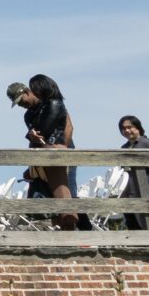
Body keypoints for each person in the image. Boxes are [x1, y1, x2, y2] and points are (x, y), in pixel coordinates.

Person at [11, 75, 87, 229]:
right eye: (18, 103)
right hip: (43, 156)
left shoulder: (53, 104)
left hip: (61, 153)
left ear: (27, 91)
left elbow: (68, 128)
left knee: (69, 195)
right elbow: (35, 139)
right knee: (52, 194)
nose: (21, 105)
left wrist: (62, 149)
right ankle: (67, 235)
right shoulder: (29, 115)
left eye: (21, 100)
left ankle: (85, 233)